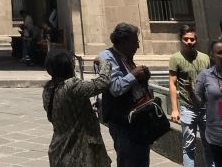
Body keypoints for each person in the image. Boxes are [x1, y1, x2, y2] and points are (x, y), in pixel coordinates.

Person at [43, 48, 111, 167]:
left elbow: (66, 110)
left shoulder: (48, 88)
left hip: (59, 149)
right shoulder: (71, 86)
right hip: (78, 153)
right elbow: (103, 82)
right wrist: (104, 62)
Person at [99, 22, 153, 167]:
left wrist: (143, 78)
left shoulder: (127, 58)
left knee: (142, 159)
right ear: (123, 42)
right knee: (128, 159)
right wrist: (134, 75)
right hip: (122, 122)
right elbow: (115, 88)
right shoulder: (106, 57)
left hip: (139, 120)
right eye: (135, 42)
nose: (138, 46)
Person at [168, 24, 212, 167]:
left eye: (192, 39)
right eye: (186, 39)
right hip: (187, 108)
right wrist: (175, 109)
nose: (189, 42)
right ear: (181, 40)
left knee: (209, 143)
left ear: (196, 40)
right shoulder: (175, 58)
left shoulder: (205, 58)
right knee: (188, 146)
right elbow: (172, 84)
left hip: (206, 108)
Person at [195, 37, 222, 167]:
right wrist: (190, 92)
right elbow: (198, 103)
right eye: (220, 53)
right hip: (216, 135)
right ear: (212, 56)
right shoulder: (205, 75)